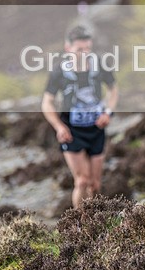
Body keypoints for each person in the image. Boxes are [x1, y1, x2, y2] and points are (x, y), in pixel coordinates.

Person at [42, 25, 119, 209]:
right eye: (79, 50)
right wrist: (59, 127)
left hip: (96, 129)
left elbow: (114, 90)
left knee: (95, 184)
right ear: (68, 48)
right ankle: (79, 226)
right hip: (72, 131)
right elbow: (46, 103)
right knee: (82, 181)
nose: (84, 53)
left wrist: (108, 113)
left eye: (87, 49)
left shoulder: (99, 65)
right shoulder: (59, 72)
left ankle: (95, 224)